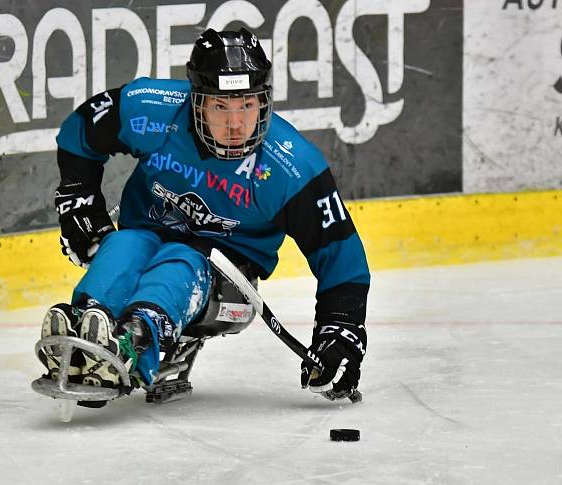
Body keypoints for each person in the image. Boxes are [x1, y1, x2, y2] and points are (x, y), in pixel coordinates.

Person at [38, 28, 370, 402]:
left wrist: (339, 329)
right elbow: (80, 128)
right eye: (220, 107)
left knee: (180, 260)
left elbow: (343, 257)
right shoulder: (156, 108)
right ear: (197, 101)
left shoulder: (292, 166)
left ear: (264, 102)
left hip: (227, 276)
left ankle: (134, 341)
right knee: (122, 244)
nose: (235, 124)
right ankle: (88, 331)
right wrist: (78, 200)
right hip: (147, 235)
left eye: (247, 105)